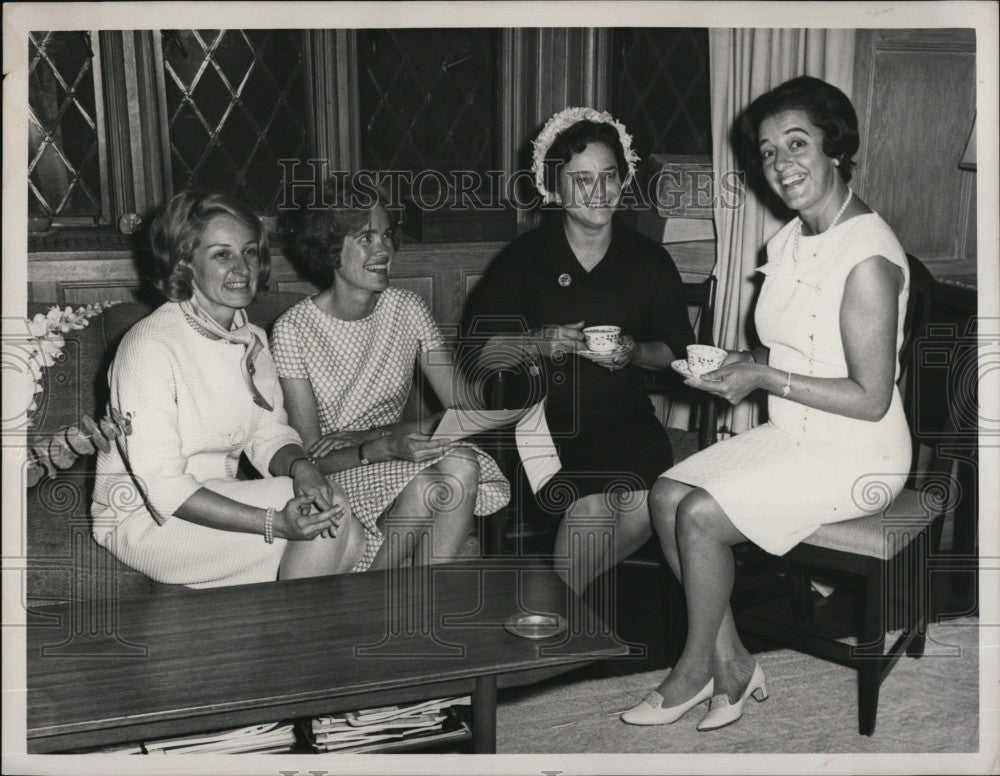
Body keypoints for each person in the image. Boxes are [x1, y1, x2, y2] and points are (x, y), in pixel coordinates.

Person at [622, 76, 912, 731]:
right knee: (667, 494)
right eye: (769, 151)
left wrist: (761, 380)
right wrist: (738, 362)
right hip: (798, 435)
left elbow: (869, 400)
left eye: (798, 144)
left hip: (859, 454)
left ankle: (693, 671)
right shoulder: (792, 238)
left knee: (696, 515)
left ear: (834, 149)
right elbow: (794, 351)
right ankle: (733, 664)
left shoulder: (865, 257)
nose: (782, 164)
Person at [462, 107, 695, 594]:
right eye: (581, 178)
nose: (598, 191)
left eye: (609, 176)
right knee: (591, 504)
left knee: (646, 500)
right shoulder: (525, 259)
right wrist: (535, 343)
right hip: (543, 418)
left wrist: (633, 352)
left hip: (626, 415)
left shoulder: (649, 260)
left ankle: (557, 611)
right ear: (553, 186)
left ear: (624, 179)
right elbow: (478, 354)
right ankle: (561, 620)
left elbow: (676, 353)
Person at [92, 191, 363, 588]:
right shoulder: (149, 347)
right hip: (147, 518)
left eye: (249, 252)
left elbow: (269, 434)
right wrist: (275, 524)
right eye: (222, 254)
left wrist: (303, 467)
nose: (241, 268)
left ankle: (283, 638)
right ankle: (297, 642)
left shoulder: (249, 337)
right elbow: (165, 489)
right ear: (185, 263)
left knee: (339, 525)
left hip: (217, 495)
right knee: (332, 518)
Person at [271, 179, 510, 572]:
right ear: (331, 249)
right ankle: (387, 608)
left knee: (462, 463)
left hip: (394, 452)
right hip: (343, 473)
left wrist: (380, 436)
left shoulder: (407, 309)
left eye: (386, 235)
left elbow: (468, 411)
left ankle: (416, 610)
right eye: (365, 237)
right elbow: (312, 458)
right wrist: (377, 449)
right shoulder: (293, 330)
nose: (384, 249)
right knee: (429, 485)